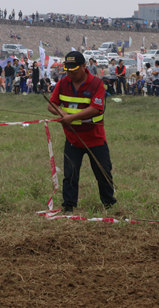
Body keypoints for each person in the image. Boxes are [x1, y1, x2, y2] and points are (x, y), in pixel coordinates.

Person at [47, 51, 116, 213]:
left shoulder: (97, 83)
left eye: (74, 70)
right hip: (72, 139)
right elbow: (51, 104)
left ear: (84, 67)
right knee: (70, 174)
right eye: (68, 70)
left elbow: (96, 109)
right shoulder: (63, 83)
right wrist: (61, 113)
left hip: (95, 139)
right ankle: (68, 206)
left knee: (103, 172)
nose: (70, 73)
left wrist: (72, 117)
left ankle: (109, 204)